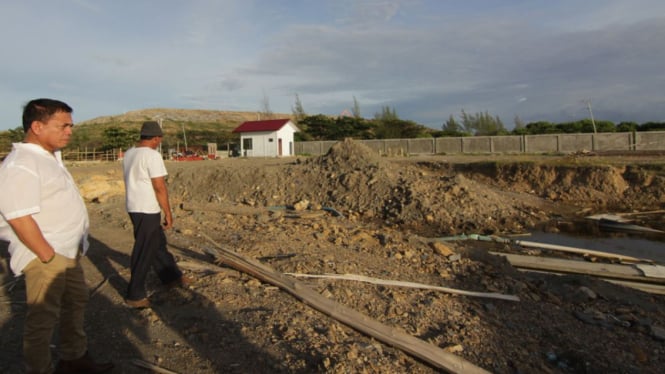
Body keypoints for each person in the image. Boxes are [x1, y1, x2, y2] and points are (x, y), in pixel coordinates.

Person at [0, 98, 113, 373]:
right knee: (43, 318)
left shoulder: (47, 157)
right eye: (63, 125)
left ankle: (74, 360)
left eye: (70, 125)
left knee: (75, 303)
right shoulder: (22, 164)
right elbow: (17, 214)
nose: (69, 131)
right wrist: (46, 254)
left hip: (67, 250)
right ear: (37, 126)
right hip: (47, 254)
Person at [122, 121, 191, 308]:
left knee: (158, 243)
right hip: (147, 208)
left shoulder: (129, 153)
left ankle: (171, 277)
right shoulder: (152, 156)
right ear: (155, 138)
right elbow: (159, 186)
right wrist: (168, 212)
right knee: (144, 250)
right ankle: (135, 294)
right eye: (159, 139)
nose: (159, 142)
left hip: (133, 206)